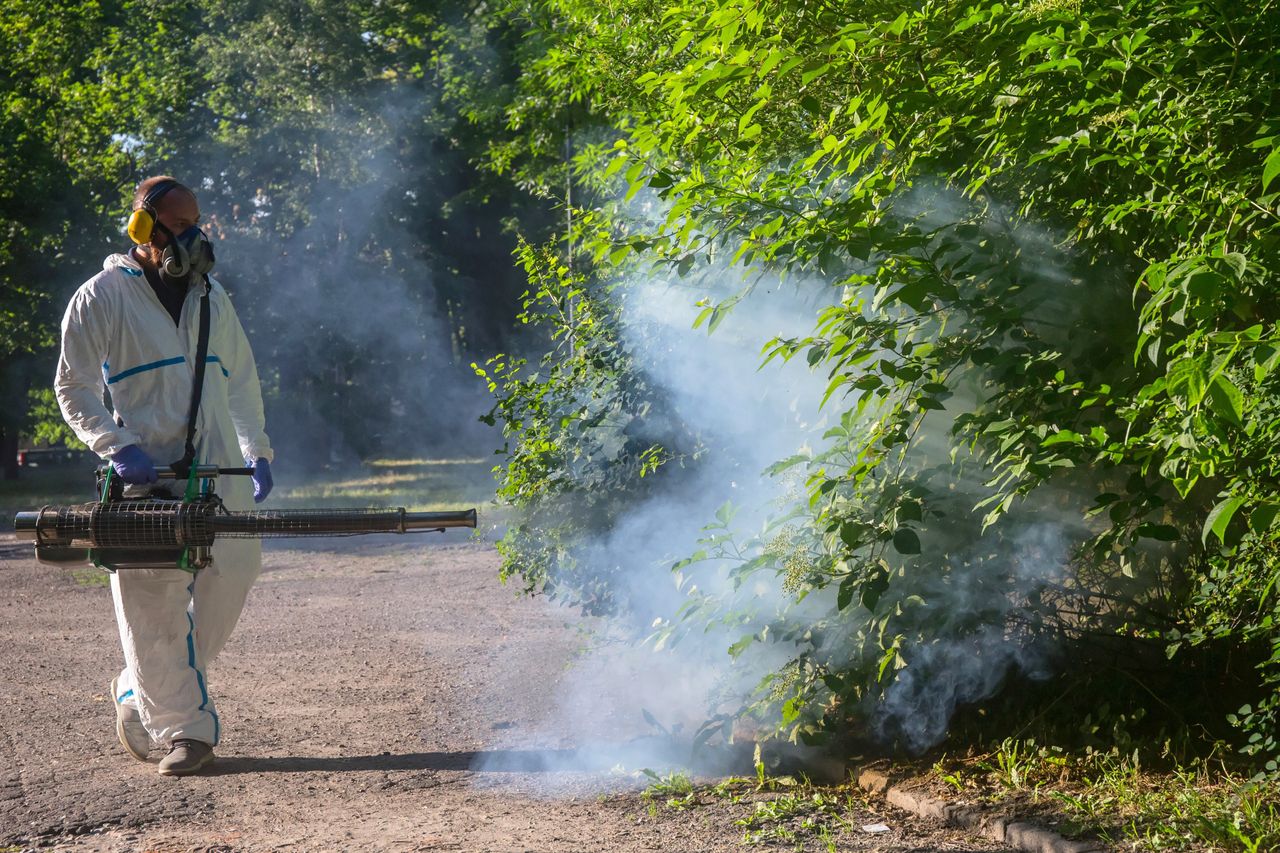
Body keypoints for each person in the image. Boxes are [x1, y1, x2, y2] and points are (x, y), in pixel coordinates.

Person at [55, 176, 274, 776]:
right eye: (179, 226)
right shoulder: (101, 297)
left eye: (194, 223)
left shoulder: (211, 297)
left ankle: (137, 685)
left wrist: (257, 449)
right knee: (151, 601)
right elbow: (72, 387)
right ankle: (185, 733)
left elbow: (243, 379)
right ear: (143, 229)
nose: (193, 236)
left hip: (217, 468)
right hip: (143, 480)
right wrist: (117, 446)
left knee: (235, 569)